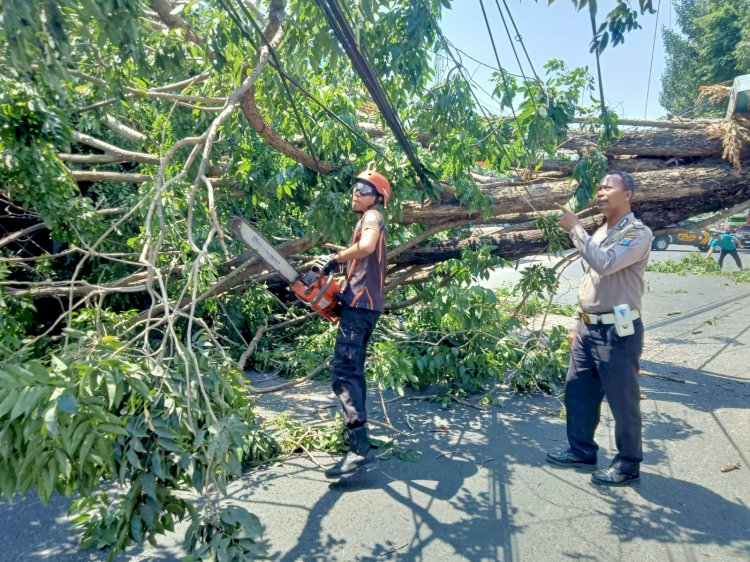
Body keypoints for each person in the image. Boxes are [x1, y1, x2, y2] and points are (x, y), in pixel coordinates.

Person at [547, 171, 652, 487]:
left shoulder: (637, 232)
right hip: (589, 327)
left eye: (609, 187)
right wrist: (578, 324)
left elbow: (604, 263)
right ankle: (581, 450)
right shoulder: (602, 230)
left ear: (628, 194)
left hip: (618, 331)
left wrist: (575, 228)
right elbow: (591, 279)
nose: (601, 191)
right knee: (578, 390)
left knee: (623, 400)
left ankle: (628, 464)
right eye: (599, 187)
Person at [321, 170, 390, 478]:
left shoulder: (372, 217)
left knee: (345, 372)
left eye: (364, 188)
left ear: (378, 197)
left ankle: (360, 450)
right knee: (352, 371)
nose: (356, 192)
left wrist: (337, 259)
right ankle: (358, 444)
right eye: (356, 187)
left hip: (362, 307)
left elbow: (366, 246)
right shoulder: (366, 218)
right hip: (359, 306)